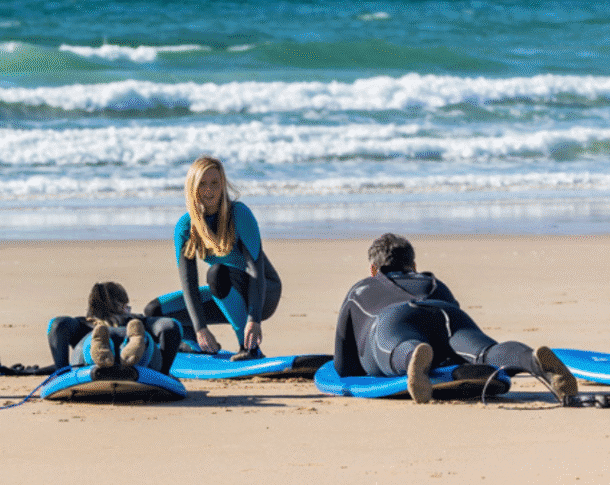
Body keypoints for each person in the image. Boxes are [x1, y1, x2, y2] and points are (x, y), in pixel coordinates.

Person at [333, 232, 578, 404]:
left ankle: (412, 356)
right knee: (484, 351)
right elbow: (456, 353)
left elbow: (345, 366)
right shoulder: (433, 283)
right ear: (414, 265)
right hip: (445, 312)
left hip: (393, 319)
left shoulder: (361, 289)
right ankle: (533, 360)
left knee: (395, 347)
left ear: (373, 269)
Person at [144, 155, 281, 357]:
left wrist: (254, 319)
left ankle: (249, 347)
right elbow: (189, 283)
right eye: (203, 184)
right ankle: (196, 344)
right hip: (224, 291)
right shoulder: (185, 227)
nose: (209, 190)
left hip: (262, 292)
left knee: (216, 273)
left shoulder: (240, 214)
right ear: (193, 187)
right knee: (154, 312)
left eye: (215, 183)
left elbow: (255, 270)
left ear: (223, 184)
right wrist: (200, 328)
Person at [47, 281, 182, 374]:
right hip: (138, 359)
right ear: (123, 307)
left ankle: (100, 347)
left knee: (88, 345)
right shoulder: (136, 321)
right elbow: (171, 326)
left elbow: (56, 325)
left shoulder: (83, 324)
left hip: (91, 350)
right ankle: (131, 346)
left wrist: (62, 371)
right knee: (143, 341)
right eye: (127, 307)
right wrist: (164, 374)